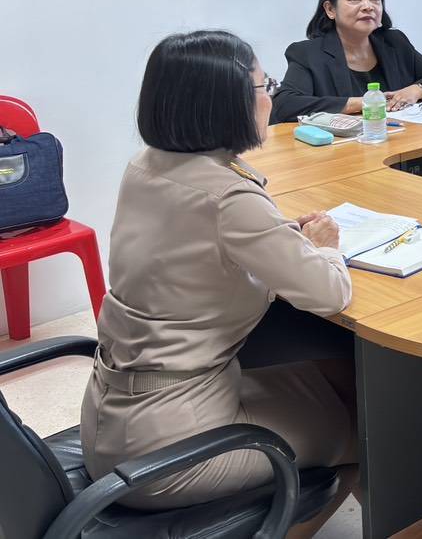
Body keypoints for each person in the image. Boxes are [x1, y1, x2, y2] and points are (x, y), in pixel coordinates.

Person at [83, 31, 357, 533]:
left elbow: (197, 258)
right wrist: (325, 246)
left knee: (334, 376)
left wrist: (278, 241)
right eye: (264, 86)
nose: (271, 97)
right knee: (369, 427)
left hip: (115, 414)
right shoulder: (229, 196)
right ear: (225, 103)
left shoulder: (146, 166)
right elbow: (329, 292)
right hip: (169, 448)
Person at [270, 0, 422, 124]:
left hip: (401, 139)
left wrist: (417, 90)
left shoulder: (394, 42)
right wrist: (362, 103)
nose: (368, 6)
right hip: (342, 147)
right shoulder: (307, 53)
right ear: (330, 9)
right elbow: (285, 104)